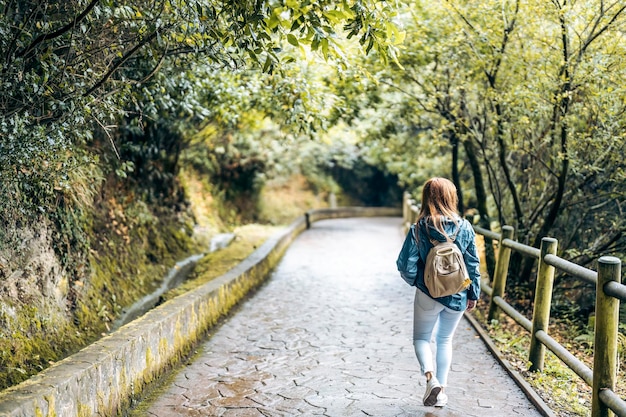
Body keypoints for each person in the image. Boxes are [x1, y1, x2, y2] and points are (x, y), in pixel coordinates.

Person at [412, 177, 481, 407]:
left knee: (422, 338)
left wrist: (419, 281)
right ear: (452, 197)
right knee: (444, 339)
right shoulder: (466, 227)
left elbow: (405, 264)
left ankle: (431, 380)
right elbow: (472, 264)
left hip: (427, 294)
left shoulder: (419, 228)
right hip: (458, 295)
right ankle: (441, 393)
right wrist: (473, 293)